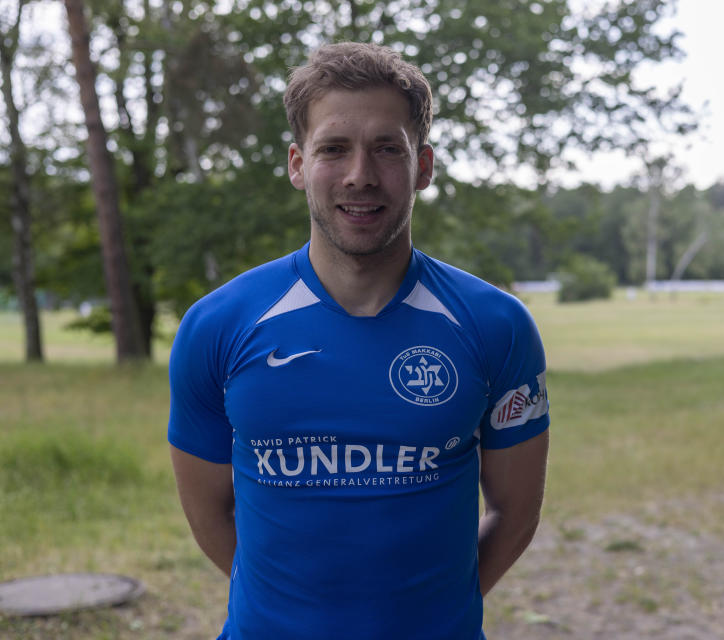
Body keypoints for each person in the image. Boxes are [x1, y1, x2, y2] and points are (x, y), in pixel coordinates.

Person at [167, 42, 550, 640]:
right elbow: (209, 510)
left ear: (423, 165)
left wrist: (431, 608)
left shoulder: (495, 325)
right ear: (298, 164)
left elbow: (517, 511)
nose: (360, 175)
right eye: (334, 149)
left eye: (387, 149)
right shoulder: (217, 325)